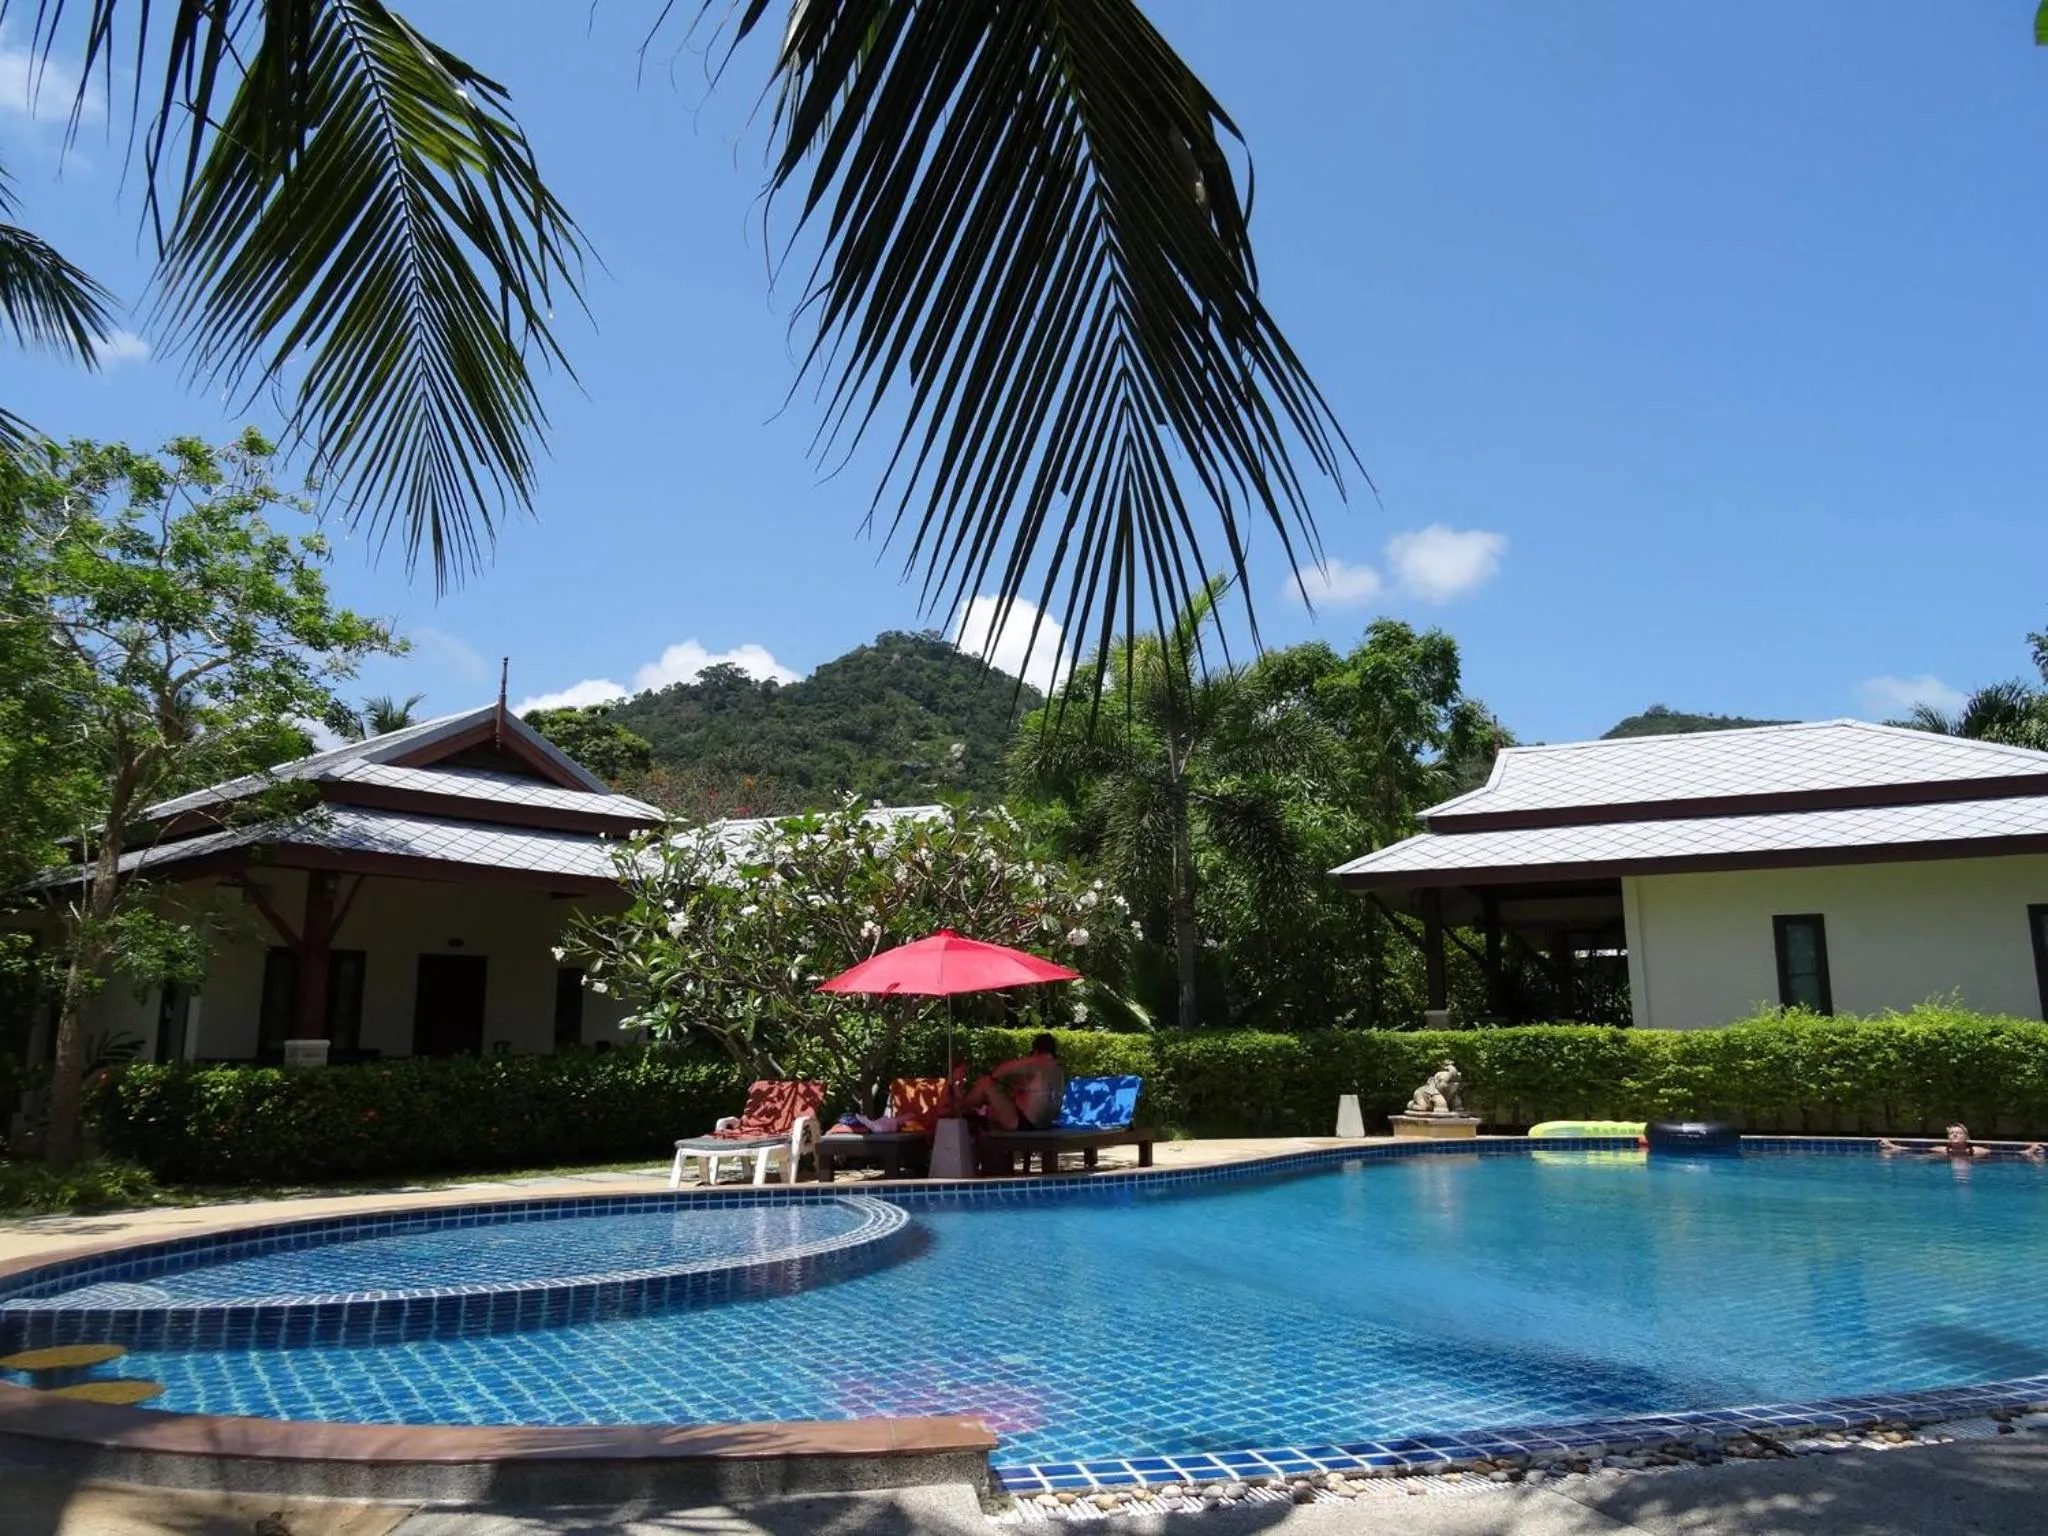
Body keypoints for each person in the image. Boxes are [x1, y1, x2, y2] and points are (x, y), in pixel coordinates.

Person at [959, 1033, 1066, 1131]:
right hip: (1046, 1124)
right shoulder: (1058, 1070)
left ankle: (959, 1113)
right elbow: (1040, 1096)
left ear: (1036, 1050)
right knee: (991, 1112)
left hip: (1024, 1123)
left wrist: (993, 1079)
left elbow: (1005, 1068)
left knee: (985, 1083)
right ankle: (972, 1114)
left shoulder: (1038, 1061)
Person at [1879, 1124, 2045, 1161]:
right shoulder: (1942, 1150)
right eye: (1951, 1133)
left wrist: (2030, 1151)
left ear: (1966, 1137)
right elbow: (1910, 1150)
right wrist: (1892, 1146)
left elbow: (2008, 1155)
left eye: (1958, 1133)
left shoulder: (1978, 1151)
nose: (1954, 1135)